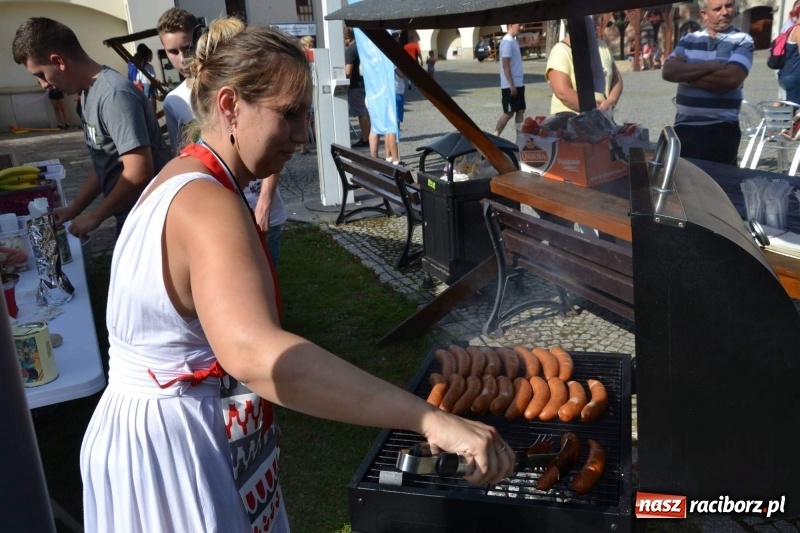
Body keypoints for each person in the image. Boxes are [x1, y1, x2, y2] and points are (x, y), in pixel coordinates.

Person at [79, 17, 514, 532]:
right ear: (229, 105)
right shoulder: (208, 204)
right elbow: (257, 356)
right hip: (173, 450)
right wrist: (429, 418)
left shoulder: (179, 176)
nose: (303, 137)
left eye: (305, 116)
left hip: (146, 434)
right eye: (288, 115)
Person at [12, 17, 171, 239]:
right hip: (131, 216)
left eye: (40, 75)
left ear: (58, 61)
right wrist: (74, 209)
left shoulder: (114, 95)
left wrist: (96, 216)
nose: (44, 85)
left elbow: (139, 171)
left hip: (151, 218)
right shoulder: (87, 95)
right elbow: (103, 163)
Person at [158, 7, 288, 263]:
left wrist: (264, 203)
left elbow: (270, 145)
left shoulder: (243, 83)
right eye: (173, 52)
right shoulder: (174, 101)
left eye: (187, 48)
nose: (182, 59)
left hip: (259, 207)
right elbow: (182, 156)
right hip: (216, 210)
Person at [662, 0, 754, 165]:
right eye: (718, 9)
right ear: (704, 14)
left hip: (721, 130)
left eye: (729, 5)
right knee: (685, 178)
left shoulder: (742, 40)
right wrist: (710, 66)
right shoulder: (688, 39)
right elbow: (668, 72)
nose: (725, 12)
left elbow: (730, 79)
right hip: (684, 129)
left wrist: (685, 72)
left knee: (718, 179)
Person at [545, 27, 623, 116]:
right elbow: (562, 92)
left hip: (603, 116)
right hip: (571, 119)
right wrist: (596, 108)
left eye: (596, 20)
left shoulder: (602, 46)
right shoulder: (561, 50)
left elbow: (616, 79)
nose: (595, 24)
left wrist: (610, 102)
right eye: (591, 20)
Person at [492, 23, 525, 137]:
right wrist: (511, 85)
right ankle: (495, 136)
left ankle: (520, 139)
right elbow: (505, 64)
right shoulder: (507, 42)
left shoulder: (513, 41)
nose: (522, 27)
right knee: (509, 113)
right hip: (510, 85)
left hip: (518, 83)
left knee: (520, 110)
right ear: (511, 25)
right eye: (519, 25)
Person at [344, 27, 371, 148]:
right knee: (365, 112)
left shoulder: (350, 50)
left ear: (348, 38)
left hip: (354, 85)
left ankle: (365, 139)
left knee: (361, 113)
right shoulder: (362, 47)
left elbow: (348, 72)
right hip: (365, 83)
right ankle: (369, 137)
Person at [298, 35, 316, 156]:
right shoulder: (311, 54)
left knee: (305, 118)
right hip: (311, 88)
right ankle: (305, 146)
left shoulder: (298, 55)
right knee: (309, 119)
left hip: (302, 89)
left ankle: (303, 146)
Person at [780, 5, 800, 104]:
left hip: (788, 74)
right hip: (796, 76)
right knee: (795, 108)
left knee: (791, 107)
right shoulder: (799, 30)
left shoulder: (792, 29)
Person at [134, 44, 158, 114]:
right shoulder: (148, 66)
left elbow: (138, 78)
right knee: (150, 98)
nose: (152, 57)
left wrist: (136, 82)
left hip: (144, 84)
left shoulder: (141, 66)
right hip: (147, 84)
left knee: (147, 98)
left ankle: (148, 112)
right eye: (151, 55)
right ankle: (151, 112)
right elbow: (152, 78)